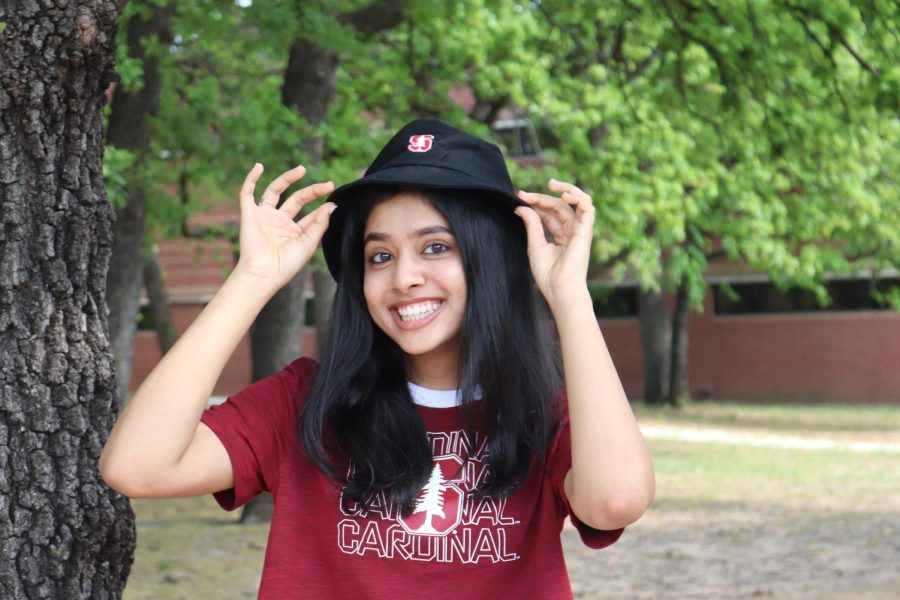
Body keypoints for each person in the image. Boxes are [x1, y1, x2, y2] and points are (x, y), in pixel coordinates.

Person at [100, 119, 655, 598]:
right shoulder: (305, 402)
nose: (404, 277)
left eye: (436, 247)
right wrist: (252, 279)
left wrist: (569, 296)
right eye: (380, 255)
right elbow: (137, 467)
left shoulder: (540, 414)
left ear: (493, 261)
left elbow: (616, 501)